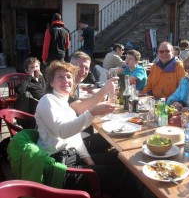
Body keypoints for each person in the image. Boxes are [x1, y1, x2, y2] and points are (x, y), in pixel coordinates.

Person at [35, 61, 139, 197]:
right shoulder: (47, 100)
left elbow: (76, 139)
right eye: (60, 77)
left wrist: (89, 160)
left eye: (68, 77)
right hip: (59, 168)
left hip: (71, 157)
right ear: (51, 82)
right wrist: (92, 112)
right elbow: (63, 132)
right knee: (122, 176)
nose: (66, 80)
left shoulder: (64, 104)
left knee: (121, 159)